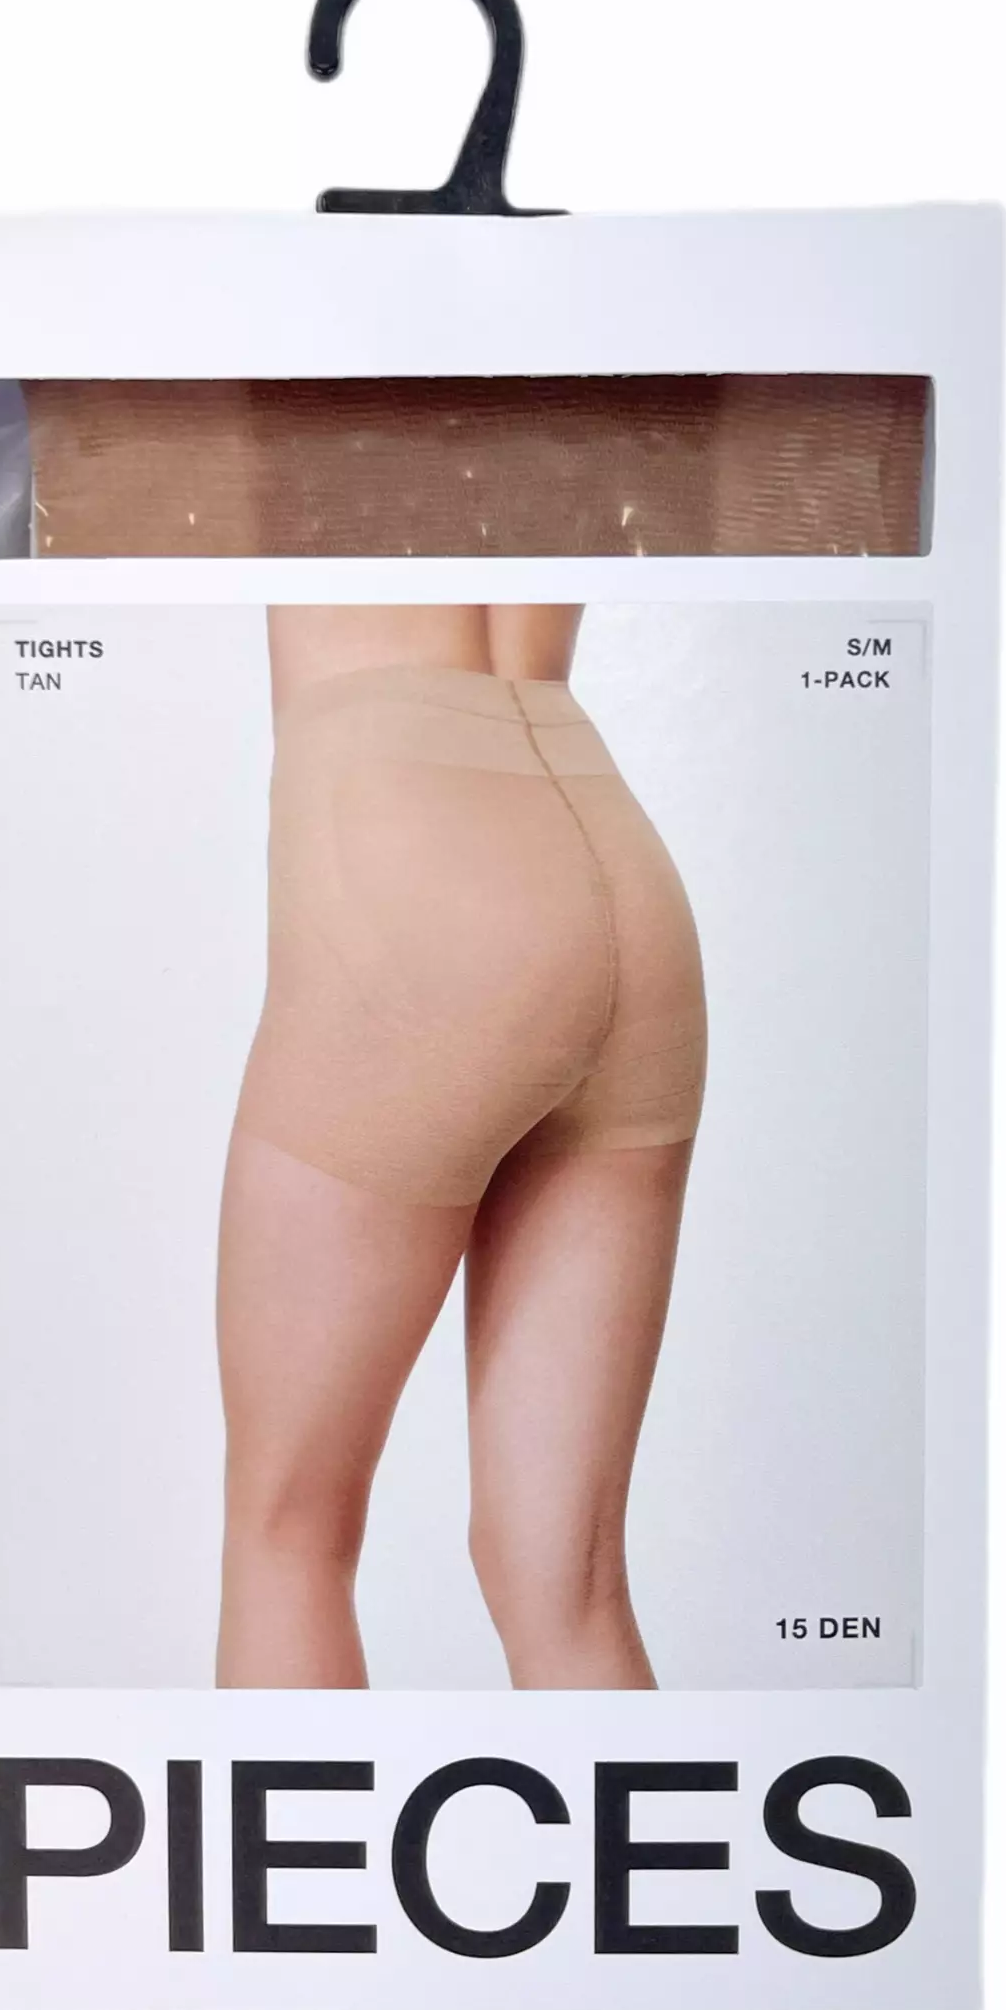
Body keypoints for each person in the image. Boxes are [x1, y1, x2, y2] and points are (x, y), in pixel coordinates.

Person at [216, 604, 706, 1690]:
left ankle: (293, 1822)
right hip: (613, 846)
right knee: (569, 1592)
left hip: (412, 852)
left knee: (287, 1534)